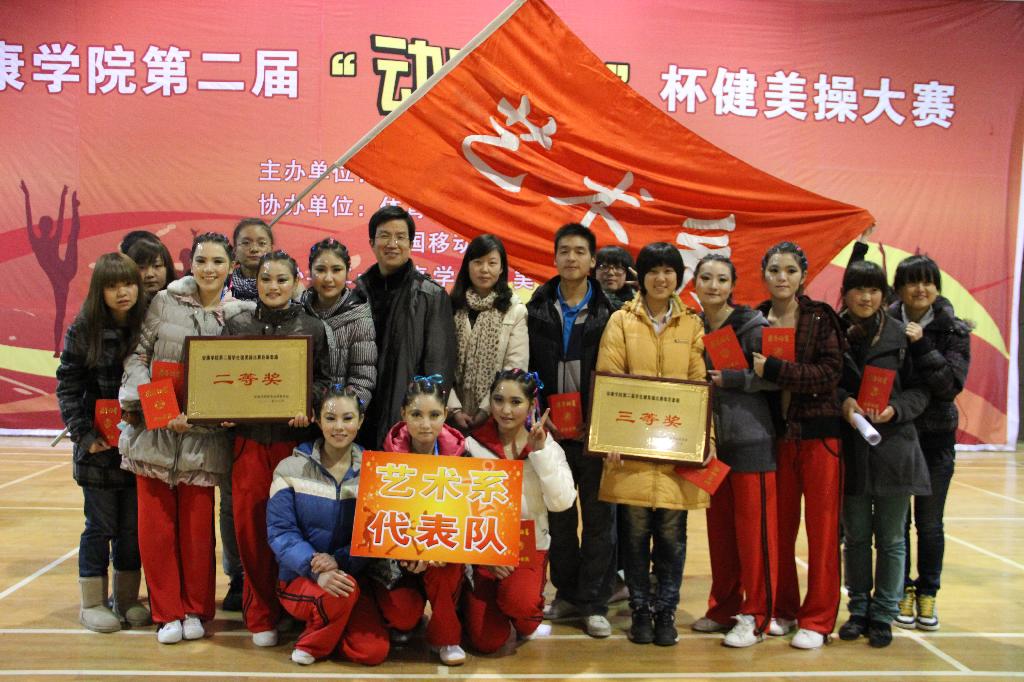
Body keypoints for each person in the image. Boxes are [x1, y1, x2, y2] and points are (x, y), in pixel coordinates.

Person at [118, 232, 253, 644]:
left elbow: (243, 377)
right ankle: (166, 612)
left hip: (204, 441)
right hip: (154, 435)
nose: (209, 269)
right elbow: (138, 356)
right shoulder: (163, 302)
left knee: (197, 532)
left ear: (231, 266)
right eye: (201, 260)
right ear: (190, 263)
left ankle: (195, 609)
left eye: (217, 261)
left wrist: (224, 414)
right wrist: (158, 411)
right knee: (155, 529)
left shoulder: (240, 315)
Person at [597, 242, 711, 647]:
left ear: (678, 277)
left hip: (677, 452)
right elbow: (609, 379)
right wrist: (609, 437)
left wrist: (706, 441)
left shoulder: (692, 325)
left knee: (672, 536)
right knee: (633, 535)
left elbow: (700, 387)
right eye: (653, 271)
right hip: (631, 451)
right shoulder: (620, 321)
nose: (661, 278)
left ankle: (666, 611)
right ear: (640, 277)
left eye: (668, 271)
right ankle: (640, 611)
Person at [221, 250, 332, 647]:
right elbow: (218, 376)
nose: (273, 286)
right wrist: (221, 410)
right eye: (266, 279)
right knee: (250, 530)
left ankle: (292, 608)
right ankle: (260, 615)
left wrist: (308, 404)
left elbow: (324, 381)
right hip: (249, 443)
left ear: (296, 283)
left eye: (282, 279)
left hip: (293, 445)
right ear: (256, 283)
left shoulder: (313, 327)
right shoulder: (237, 325)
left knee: (295, 529)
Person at [527, 223, 617, 638]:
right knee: (560, 518)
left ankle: (595, 602)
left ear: (592, 260)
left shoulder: (610, 311)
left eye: (580, 251)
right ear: (555, 257)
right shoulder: (537, 308)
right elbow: (527, 369)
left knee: (599, 521)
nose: (571, 258)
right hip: (551, 432)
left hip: (594, 431)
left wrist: (600, 421)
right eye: (564, 251)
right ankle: (566, 594)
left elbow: (619, 373)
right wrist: (538, 415)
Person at [753, 241, 845, 650]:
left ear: (804, 276)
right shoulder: (754, 319)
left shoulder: (821, 317)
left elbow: (829, 374)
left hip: (820, 436)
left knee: (823, 532)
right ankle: (784, 609)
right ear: (764, 275)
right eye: (775, 270)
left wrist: (776, 369)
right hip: (776, 438)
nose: (782, 277)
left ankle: (819, 619)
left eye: (790, 270)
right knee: (780, 530)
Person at [835, 260, 931, 648]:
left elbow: (922, 391)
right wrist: (843, 402)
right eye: (858, 289)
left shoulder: (901, 335)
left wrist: (896, 409)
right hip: (851, 450)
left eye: (874, 289)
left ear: (884, 294)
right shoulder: (833, 333)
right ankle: (858, 608)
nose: (866, 297)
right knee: (856, 537)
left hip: (895, 450)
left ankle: (884, 613)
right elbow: (826, 382)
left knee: (892, 539)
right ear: (846, 293)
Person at [56, 253, 149, 634]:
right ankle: (92, 602)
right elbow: (67, 387)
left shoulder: (146, 325)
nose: (122, 292)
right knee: (100, 526)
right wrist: (84, 434)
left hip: (138, 446)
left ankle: (126, 599)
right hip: (98, 451)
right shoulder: (84, 330)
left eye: (128, 284)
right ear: (100, 291)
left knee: (131, 529)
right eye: (112, 286)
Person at [267, 385, 390, 666]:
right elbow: (281, 532)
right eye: (331, 418)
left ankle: (331, 623)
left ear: (361, 421)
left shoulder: (375, 472)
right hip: (299, 576)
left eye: (348, 418)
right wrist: (315, 568)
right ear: (317, 420)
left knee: (372, 652)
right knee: (341, 594)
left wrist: (339, 560)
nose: (339, 427)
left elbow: (373, 535)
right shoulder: (289, 468)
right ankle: (312, 645)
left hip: (351, 575)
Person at [691, 254, 778, 648]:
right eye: (706, 278)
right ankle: (723, 608)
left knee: (754, 537)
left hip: (752, 443)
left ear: (732, 286)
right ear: (694, 283)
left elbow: (778, 376)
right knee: (721, 535)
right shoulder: (693, 328)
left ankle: (757, 616)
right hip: (712, 448)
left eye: (722, 279)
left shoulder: (753, 326)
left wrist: (736, 379)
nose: (713, 286)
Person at [463, 369, 575, 652]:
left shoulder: (547, 445)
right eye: (498, 400)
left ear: (531, 404)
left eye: (516, 402)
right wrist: (483, 555)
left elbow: (562, 502)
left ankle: (524, 609)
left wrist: (540, 453)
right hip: (484, 546)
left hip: (528, 545)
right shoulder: (472, 445)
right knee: (487, 642)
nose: (505, 410)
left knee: (521, 610)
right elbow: (460, 507)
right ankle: (480, 604)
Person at [890, 255, 971, 631]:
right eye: (912, 281)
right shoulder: (885, 324)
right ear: (899, 288)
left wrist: (921, 345)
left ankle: (928, 592)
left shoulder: (954, 330)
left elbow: (949, 386)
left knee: (930, 523)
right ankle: (902, 589)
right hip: (895, 437)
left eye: (928, 282)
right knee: (897, 523)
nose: (920, 289)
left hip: (936, 439)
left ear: (937, 288)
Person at [373, 376, 468, 665]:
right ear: (403, 414)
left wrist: (440, 548)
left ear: (445, 415)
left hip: (442, 558)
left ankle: (446, 636)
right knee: (402, 617)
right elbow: (377, 523)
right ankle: (409, 619)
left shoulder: (463, 456)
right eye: (416, 414)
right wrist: (406, 552)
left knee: (445, 567)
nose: (425, 424)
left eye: (434, 415)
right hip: (399, 561)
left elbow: (470, 520)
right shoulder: (384, 457)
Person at [352, 206, 457, 448]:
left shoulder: (430, 295)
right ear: (372, 242)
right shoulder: (357, 295)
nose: (392, 244)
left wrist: (423, 419)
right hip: (360, 418)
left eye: (400, 237)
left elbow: (438, 366)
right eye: (384, 236)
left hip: (407, 422)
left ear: (410, 244)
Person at [449, 234, 529, 432]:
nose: (484, 269)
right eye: (478, 262)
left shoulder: (514, 310)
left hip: (497, 417)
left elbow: (514, 367)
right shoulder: (451, 306)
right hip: (449, 417)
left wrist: (486, 410)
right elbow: (439, 362)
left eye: (492, 263)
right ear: (467, 266)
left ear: (501, 268)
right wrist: (454, 409)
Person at [303, 237, 377, 406]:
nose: (328, 278)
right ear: (310, 271)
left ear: (347, 271)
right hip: (301, 416)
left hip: (340, 417)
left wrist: (342, 415)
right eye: (320, 270)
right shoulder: (297, 312)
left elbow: (362, 381)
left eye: (336, 270)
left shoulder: (359, 319)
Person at [20, 181, 80, 356]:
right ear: (42, 228)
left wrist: (63, 197)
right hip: (60, 279)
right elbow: (30, 219)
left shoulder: (42, 241)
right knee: (60, 314)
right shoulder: (37, 242)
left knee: (72, 236)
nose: (48, 228)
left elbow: (59, 220)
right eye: (46, 226)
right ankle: (56, 348)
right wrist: (27, 196)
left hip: (66, 269)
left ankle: (74, 207)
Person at [229, 218, 274, 301]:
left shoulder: (284, 285)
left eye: (262, 243)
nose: (254, 249)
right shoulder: (223, 285)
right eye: (246, 243)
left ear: (271, 249)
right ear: (235, 250)